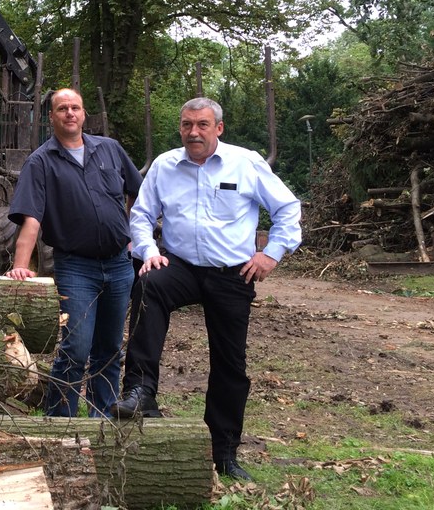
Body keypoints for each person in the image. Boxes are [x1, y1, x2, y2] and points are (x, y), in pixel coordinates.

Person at [112, 97, 301, 482]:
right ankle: (140, 391)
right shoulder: (166, 165)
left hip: (232, 272)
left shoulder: (245, 163)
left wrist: (271, 255)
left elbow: (287, 208)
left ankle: (224, 452)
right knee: (149, 285)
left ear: (219, 128)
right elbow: (142, 215)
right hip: (179, 265)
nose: (193, 132)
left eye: (201, 125)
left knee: (230, 364)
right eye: (186, 125)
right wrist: (148, 251)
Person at [6, 87, 143, 417]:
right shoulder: (40, 162)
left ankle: (103, 423)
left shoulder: (109, 149)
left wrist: (130, 233)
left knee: (109, 350)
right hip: (76, 267)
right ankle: (60, 423)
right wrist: (21, 266)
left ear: (84, 114)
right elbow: (31, 219)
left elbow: (139, 192)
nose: (70, 113)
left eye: (76, 107)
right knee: (77, 347)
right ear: (51, 117)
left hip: (119, 265)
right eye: (62, 108)